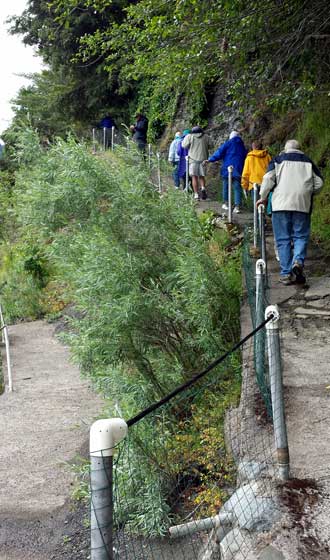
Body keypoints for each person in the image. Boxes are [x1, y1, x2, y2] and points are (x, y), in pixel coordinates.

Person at [257, 139, 323, 285]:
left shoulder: (278, 160)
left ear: (285, 149)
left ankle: (286, 273)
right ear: (299, 149)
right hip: (302, 204)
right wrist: (308, 192)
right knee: (300, 236)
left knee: (283, 239)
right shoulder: (308, 161)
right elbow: (319, 183)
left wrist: (263, 198)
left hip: (280, 205)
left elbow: (268, 179)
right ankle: (298, 262)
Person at [204, 130, 247, 213]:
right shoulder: (242, 145)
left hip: (227, 168)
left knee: (226, 186)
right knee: (237, 187)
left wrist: (210, 160)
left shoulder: (228, 143)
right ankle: (237, 206)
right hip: (238, 169)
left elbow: (219, 153)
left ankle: (225, 203)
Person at [182, 126, 212, 200]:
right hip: (203, 160)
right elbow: (211, 146)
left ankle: (196, 194)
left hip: (193, 160)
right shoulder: (206, 137)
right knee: (202, 176)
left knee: (194, 177)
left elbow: (183, 145)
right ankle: (203, 188)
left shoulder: (190, 136)